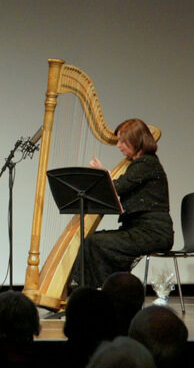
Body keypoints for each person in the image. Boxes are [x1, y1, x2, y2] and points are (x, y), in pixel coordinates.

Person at [72, 118, 173, 289]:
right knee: (93, 241)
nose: (118, 145)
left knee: (96, 243)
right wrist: (106, 177)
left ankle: (103, 293)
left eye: (122, 141)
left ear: (136, 141)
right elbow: (120, 187)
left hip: (153, 233)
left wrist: (104, 177)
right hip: (138, 230)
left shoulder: (146, 163)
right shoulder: (140, 164)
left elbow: (117, 188)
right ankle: (102, 291)